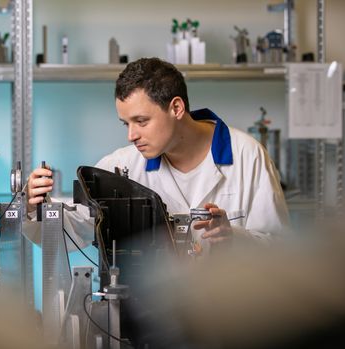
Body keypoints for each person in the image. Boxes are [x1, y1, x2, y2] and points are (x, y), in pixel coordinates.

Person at [27, 57, 289, 253]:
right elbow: (70, 232)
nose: (131, 135)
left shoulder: (247, 155)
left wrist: (234, 236)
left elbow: (279, 249)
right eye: (126, 123)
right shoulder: (121, 164)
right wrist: (33, 207)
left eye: (141, 121)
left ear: (176, 107)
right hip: (150, 313)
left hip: (229, 314)